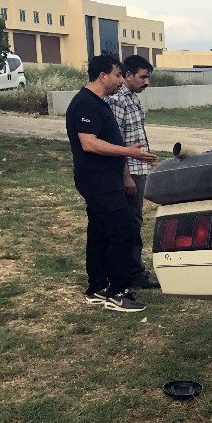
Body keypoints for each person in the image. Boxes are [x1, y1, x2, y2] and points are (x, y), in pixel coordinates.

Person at [65, 55, 158, 313]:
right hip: (99, 180)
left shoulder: (98, 102)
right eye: (117, 75)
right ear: (102, 75)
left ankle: (97, 288)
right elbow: (89, 143)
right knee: (123, 230)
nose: (120, 80)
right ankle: (119, 291)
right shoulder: (86, 103)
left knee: (99, 233)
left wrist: (128, 152)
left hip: (102, 179)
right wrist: (130, 152)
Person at [107, 54, 159, 289]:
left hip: (139, 169)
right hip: (129, 171)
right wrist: (126, 175)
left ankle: (132, 269)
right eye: (142, 77)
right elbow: (116, 141)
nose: (146, 82)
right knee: (130, 223)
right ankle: (131, 272)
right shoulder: (118, 100)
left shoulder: (133, 98)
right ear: (128, 75)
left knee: (134, 221)